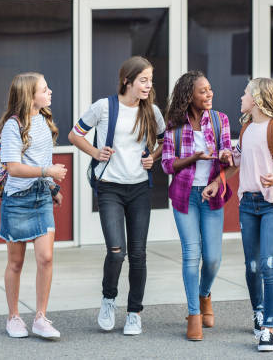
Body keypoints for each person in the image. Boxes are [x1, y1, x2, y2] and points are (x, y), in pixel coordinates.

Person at [68, 56, 166, 336]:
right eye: (143, 80)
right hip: (109, 186)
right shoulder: (104, 107)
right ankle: (108, 300)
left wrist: (153, 159)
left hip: (138, 189)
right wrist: (95, 152)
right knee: (116, 251)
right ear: (128, 81)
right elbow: (75, 135)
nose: (148, 85)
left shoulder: (152, 111)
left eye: (150, 80)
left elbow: (163, 141)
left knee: (138, 254)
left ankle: (134, 312)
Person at [203, 77, 273, 352]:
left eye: (245, 93)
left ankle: (268, 328)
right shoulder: (246, 129)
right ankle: (258, 312)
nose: (241, 97)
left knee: (269, 264)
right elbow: (236, 160)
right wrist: (217, 179)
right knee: (252, 266)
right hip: (248, 205)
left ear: (257, 99)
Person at [161, 70, 234, 341]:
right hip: (185, 196)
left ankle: (205, 296)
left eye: (210, 89)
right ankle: (193, 315)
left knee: (213, 258)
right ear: (188, 96)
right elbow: (168, 164)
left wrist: (225, 156)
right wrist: (193, 158)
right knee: (191, 254)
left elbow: (227, 157)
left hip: (212, 194)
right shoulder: (174, 125)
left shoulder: (220, 120)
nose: (209, 94)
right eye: (203, 91)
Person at [0, 72, 68, 340]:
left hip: (41, 196)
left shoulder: (44, 121)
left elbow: (40, 157)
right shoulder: (12, 126)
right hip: (17, 200)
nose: (50, 92)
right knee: (16, 263)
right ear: (29, 95)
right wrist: (48, 171)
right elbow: (13, 168)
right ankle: (13, 317)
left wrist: (51, 188)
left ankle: (40, 317)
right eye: (44, 89)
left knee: (46, 258)